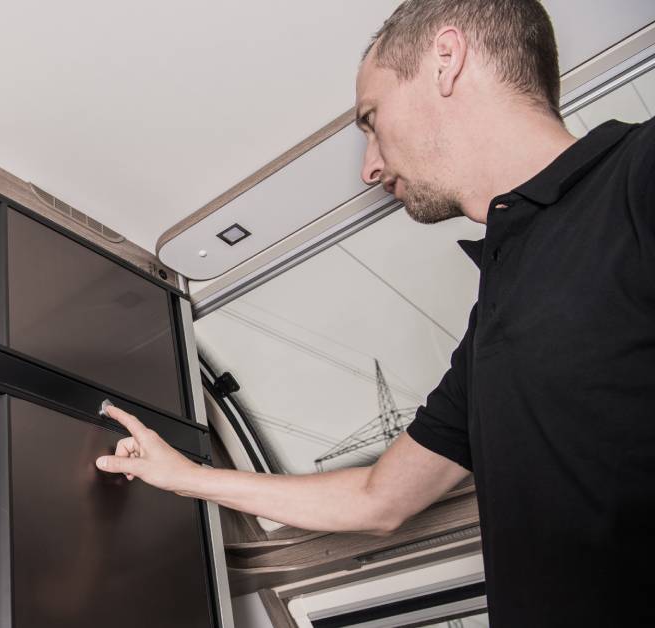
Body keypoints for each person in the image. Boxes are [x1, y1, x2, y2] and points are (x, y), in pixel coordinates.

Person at [94, 0, 655, 624]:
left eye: (370, 119)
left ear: (446, 60)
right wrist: (186, 477)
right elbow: (378, 496)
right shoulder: (497, 311)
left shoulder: (637, 176)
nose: (370, 168)